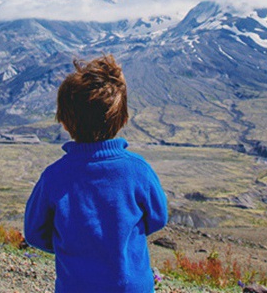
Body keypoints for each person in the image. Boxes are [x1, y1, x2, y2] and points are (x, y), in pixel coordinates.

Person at [24, 54, 168, 293]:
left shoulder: (54, 177)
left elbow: (34, 232)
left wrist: (71, 244)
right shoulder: (138, 170)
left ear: (65, 121)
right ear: (121, 118)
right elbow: (157, 218)